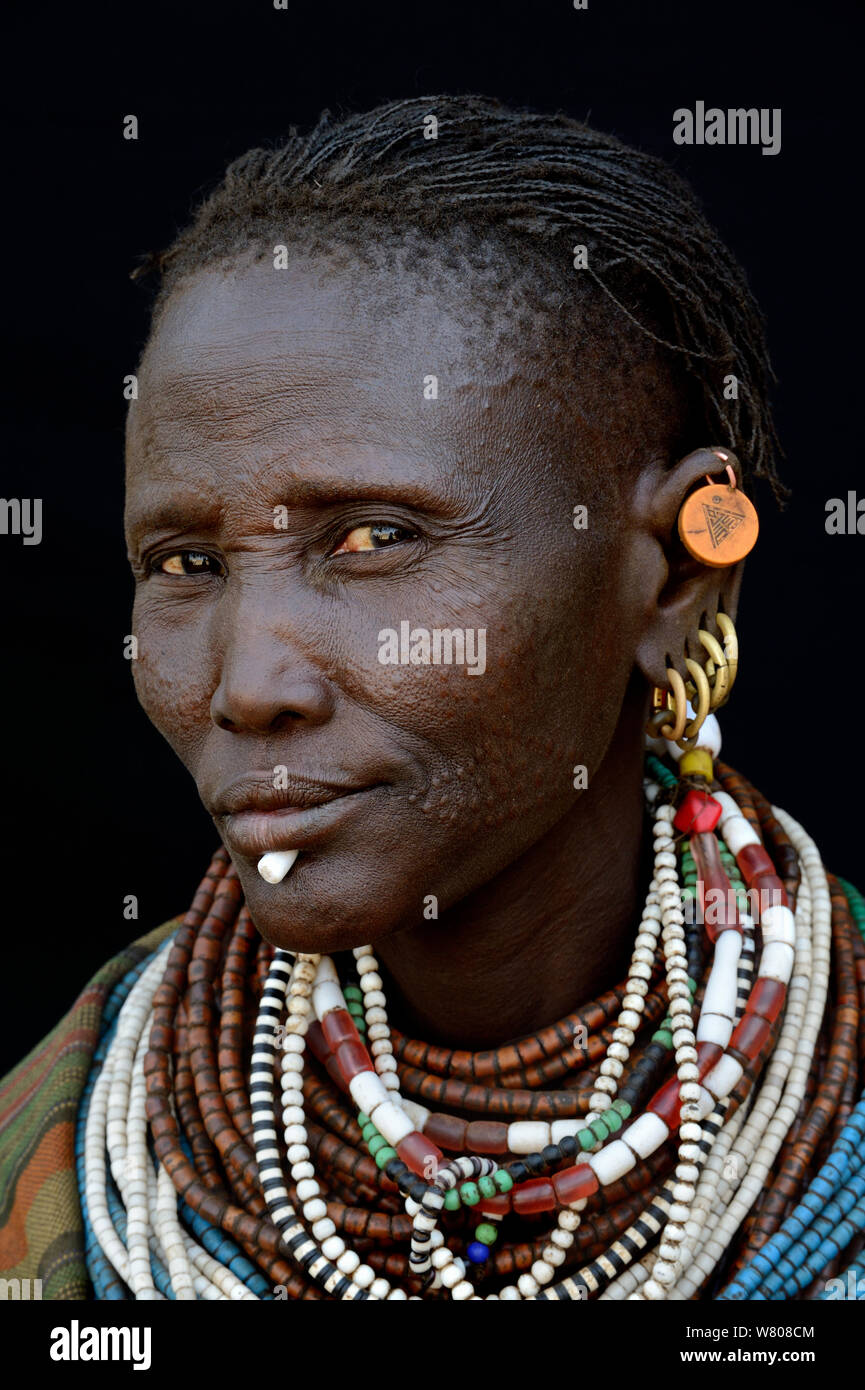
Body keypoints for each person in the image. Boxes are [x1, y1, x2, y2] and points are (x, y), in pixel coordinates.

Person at [1, 94, 862, 1303]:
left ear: (674, 570)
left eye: (372, 539)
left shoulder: (841, 1070)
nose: (249, 686)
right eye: (185, 565)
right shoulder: (69, 1141)